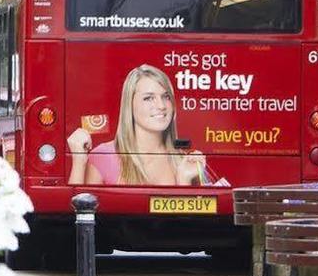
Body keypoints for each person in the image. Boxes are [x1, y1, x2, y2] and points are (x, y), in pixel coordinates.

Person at [67, 64, 226, 188]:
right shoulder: (103, 156)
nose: (161, 106)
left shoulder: (185, 160)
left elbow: (189, 225)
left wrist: (184, 180)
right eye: (149, 98)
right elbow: (80, 219)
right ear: (130, 105)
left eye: (166, 97)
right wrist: (79, 161)